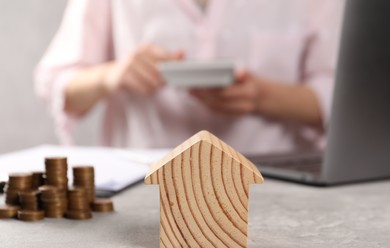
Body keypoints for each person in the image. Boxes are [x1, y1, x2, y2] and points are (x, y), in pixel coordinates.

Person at [35, 0, 344, 154]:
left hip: (276, 187)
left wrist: (262, 96)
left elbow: (347, 98)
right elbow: (56, 81)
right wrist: (112, 75)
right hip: (143, 185)